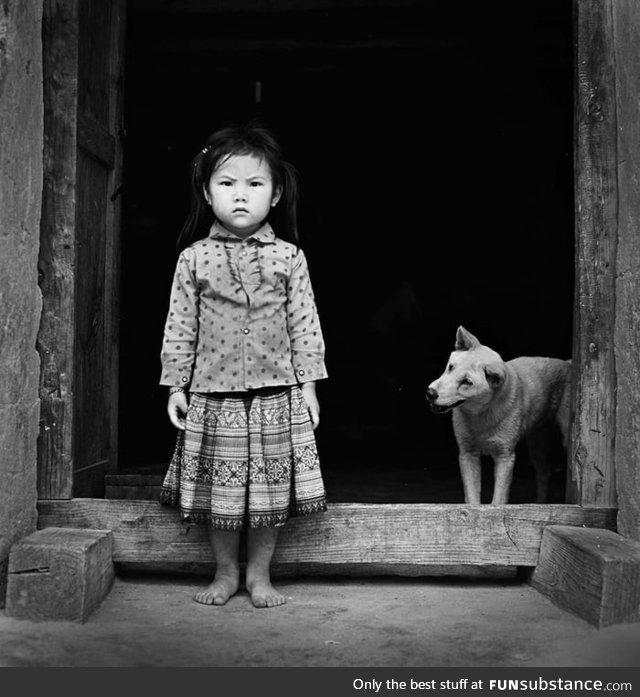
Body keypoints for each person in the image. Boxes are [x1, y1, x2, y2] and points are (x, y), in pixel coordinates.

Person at [159, 121, 327, 608]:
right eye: (226, 184)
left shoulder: (289, 257)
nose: (240, 196)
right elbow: (180, 327)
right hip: (215, 398)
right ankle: (225, 573)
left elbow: (305, 325)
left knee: (271, 499)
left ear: (275, 196)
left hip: (277, 396)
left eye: (254, 184)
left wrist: (310, 388)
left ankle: (259, 575)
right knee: (221, 499)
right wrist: (176, 386)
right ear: (207, 192)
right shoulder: (193, 259)